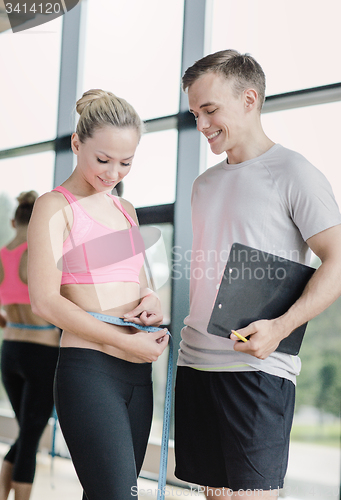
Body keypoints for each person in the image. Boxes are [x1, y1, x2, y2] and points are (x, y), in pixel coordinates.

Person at [174, 50, 341, 499]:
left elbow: (338, 261)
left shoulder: (295, 174)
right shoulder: (203, 185)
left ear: (249, 99)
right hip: (195, 363)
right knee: (214, 495)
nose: (202, 124)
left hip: (258, 368)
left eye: (210, 110)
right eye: (195, 113)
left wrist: (281, 326)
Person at [27, 89, 169, 500]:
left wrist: (150, 300)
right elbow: (45, 300)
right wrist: (122, 339)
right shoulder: (55, 207)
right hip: (90, 372)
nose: (113, 173)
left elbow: (141, 280)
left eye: (125, 163)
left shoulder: (126, 210)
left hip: (138, 375)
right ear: (76, 144)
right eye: (102, 160)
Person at [0, 191, 60, 500]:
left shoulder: (1, 253)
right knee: (30, 434)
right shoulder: (38, 250)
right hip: (42, 352)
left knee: (26, 431)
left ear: (13, 220)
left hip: (9, 352)